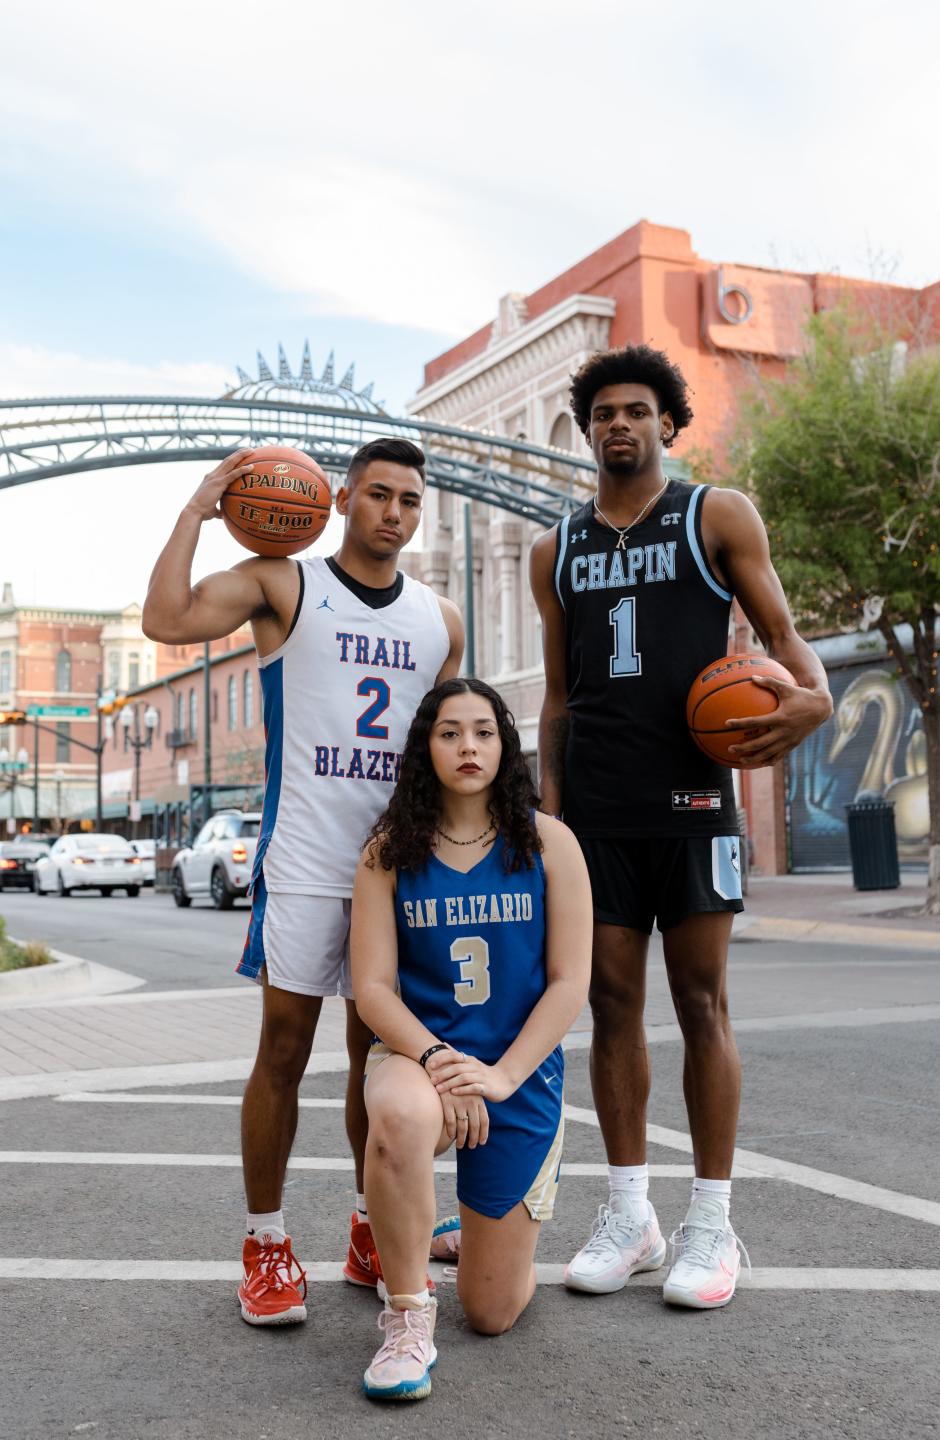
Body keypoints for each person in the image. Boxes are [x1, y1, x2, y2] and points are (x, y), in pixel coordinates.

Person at [530, 345, 832, 1309]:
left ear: (668, 423)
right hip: (598, 813)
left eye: (637, 410)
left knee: (701, 1004)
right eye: (603, 413)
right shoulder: (556, 550)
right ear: (588, 432)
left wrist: (815, 701)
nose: (619, 424)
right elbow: (557, 697)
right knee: (610, 1008)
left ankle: (713, 1222)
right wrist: (545, 818)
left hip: (698, 802)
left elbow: (785, 644)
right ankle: (632, 1215)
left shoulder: (717, 514)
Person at [142, 437, 464, 1324]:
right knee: (282, 1055)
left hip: (398, 870)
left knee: (380, 1063)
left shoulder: (442, 618)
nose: (393, 513)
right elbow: (164, 622)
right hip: (308, 862)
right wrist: (198, 509)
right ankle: (267, 1241)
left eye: (409, 500)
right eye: (378, 496)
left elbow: (447, 749)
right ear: (341, 499)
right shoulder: (284, 584)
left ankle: (371, 1228)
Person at [350, 677, 591, 1400]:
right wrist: (439, 1063)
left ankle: (452, 1223)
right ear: (427, 746)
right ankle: (407, 1319)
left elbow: (568, 982)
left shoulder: (550, 843)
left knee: (491, 1312)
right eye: (450, 732)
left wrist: (502, 1077)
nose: (468, 747)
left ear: (504, 745)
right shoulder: (389, 852)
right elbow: (373, 991)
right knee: (396, 1115)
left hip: (516, 1074)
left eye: (484, 732)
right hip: (419, 1059)